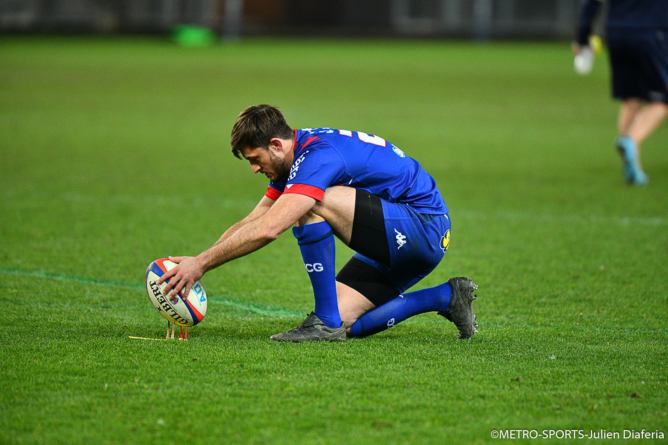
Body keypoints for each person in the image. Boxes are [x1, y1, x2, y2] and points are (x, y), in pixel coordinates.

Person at [158, 105, 478, 342]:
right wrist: (196, 261)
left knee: (311, 203)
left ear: (276, 145)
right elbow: (254, 220)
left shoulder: (317, 157)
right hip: (400, 236)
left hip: (422, 226)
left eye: (255, 159)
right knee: (347, 323)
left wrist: (202, 265)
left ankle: (323, 322)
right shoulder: (297, 160)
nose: (254, 169)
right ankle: (446, 297)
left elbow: (271, 228)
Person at [574, 0, 668, 186]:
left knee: (631, 99)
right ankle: (631, 140)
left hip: (617, 33)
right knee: (662, 101)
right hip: (651, 31)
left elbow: (593, 2)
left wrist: (582, 38)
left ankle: (633, 168)